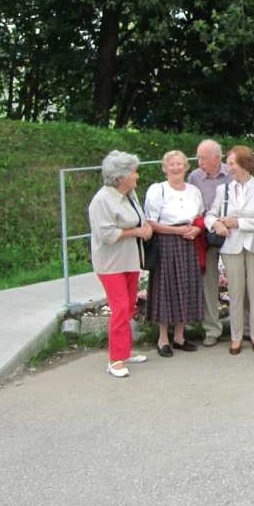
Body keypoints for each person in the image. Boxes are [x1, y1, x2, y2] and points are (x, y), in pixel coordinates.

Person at [88, 150, 153, 378]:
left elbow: (140, 219)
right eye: (134, 172)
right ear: (120, 176)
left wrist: (146, 228)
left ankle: (124, 351)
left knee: (130, 305)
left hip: (130, 259)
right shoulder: (101, 200)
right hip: (110, 263)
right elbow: (106, 234)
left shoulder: (130, 194)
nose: (137, 175)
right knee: (120, 307)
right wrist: (137, 232)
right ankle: (115, 360)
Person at [205, 145, 254, 355]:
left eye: (232, 163)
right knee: (235, 293)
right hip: (231, 246)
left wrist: (238, 223)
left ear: (244, 163)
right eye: (228, 164)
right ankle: (236, 336)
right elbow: (210, 214)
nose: (229, 168)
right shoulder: (223, 190)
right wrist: (216, 224)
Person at [144, 150, 205, 357]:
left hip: (188, 242)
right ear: (165, 168)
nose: (176, 167)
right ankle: (163, 338)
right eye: (172, 164)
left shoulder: (194, 191)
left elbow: (200, 216)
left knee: (185, 286)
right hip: (166, 242)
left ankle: (180, 336)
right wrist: (176, 231)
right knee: (166, 287)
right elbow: (151, 222)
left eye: (180, 164)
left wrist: (196, 229)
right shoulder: (157, 190)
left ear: (186, 167)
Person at [188, 139, 230, 347]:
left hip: (232, 232)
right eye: (198, 158)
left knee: (239, 280)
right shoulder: (194, 177)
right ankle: (212, 329)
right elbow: (191, 207)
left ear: (216, 158)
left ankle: (245, 327)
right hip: (206, 235)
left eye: (203, 158)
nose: (199, 163)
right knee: (209, 283)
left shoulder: (232, 172)